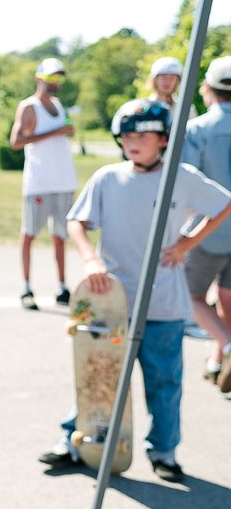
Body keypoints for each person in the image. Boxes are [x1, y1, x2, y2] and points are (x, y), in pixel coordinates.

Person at [38, 99, 231, 482]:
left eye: (143, 135)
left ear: (163, 140)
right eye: (127, 136)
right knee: (98, 376)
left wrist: (186, 245)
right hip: (111, 302)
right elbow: (77, 221)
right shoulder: (108, 178)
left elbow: (223, 204)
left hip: (164, 303)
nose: (133, 142)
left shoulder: (182, 176)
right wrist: (91, 260)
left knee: (164, 383)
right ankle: (79, 441)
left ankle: (163, 452)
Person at [10, 58, 78, 309]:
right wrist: (56, 132)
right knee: (29, 234)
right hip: (38, 183)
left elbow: (64, 132)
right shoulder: (29, 106)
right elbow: (16, 141)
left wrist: (66, 131)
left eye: (58, 78)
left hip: (64, 181)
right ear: (39, 78)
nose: (54, 83)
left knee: (60, 235)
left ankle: (62, 287)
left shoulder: (60, 106)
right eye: (50, 77)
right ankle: (26, 288)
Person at [182, 55, 231, 392]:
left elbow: (187, 183)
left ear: (208, 89)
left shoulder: (198, 128)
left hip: (211, 228)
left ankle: (227, 348)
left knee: (192, 296)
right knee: (227, 300)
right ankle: (218, 360)